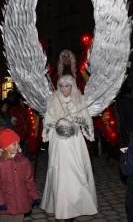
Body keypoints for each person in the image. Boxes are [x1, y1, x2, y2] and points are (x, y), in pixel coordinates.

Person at [40, 75, 97, 220]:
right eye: (62, 86)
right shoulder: (53, 99)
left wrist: (78, 123)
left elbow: (86, 119)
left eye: (68, 86)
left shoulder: (80, 99)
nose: (64, 89)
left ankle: (76, 205)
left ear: (73, 86)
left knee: (75, 170)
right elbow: (47, 120)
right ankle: (59, 204)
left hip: (74, 140)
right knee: (58, 170)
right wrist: (55, 124)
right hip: (58, 141)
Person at [0, 129, 40, 222]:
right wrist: (0, 202)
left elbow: (30, 181)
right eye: (14, 144)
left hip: (21, 202)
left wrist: (35, 196)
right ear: (5, 146)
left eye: (18, 143)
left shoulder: (24, 162)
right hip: (5, 203)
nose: (17, 146)